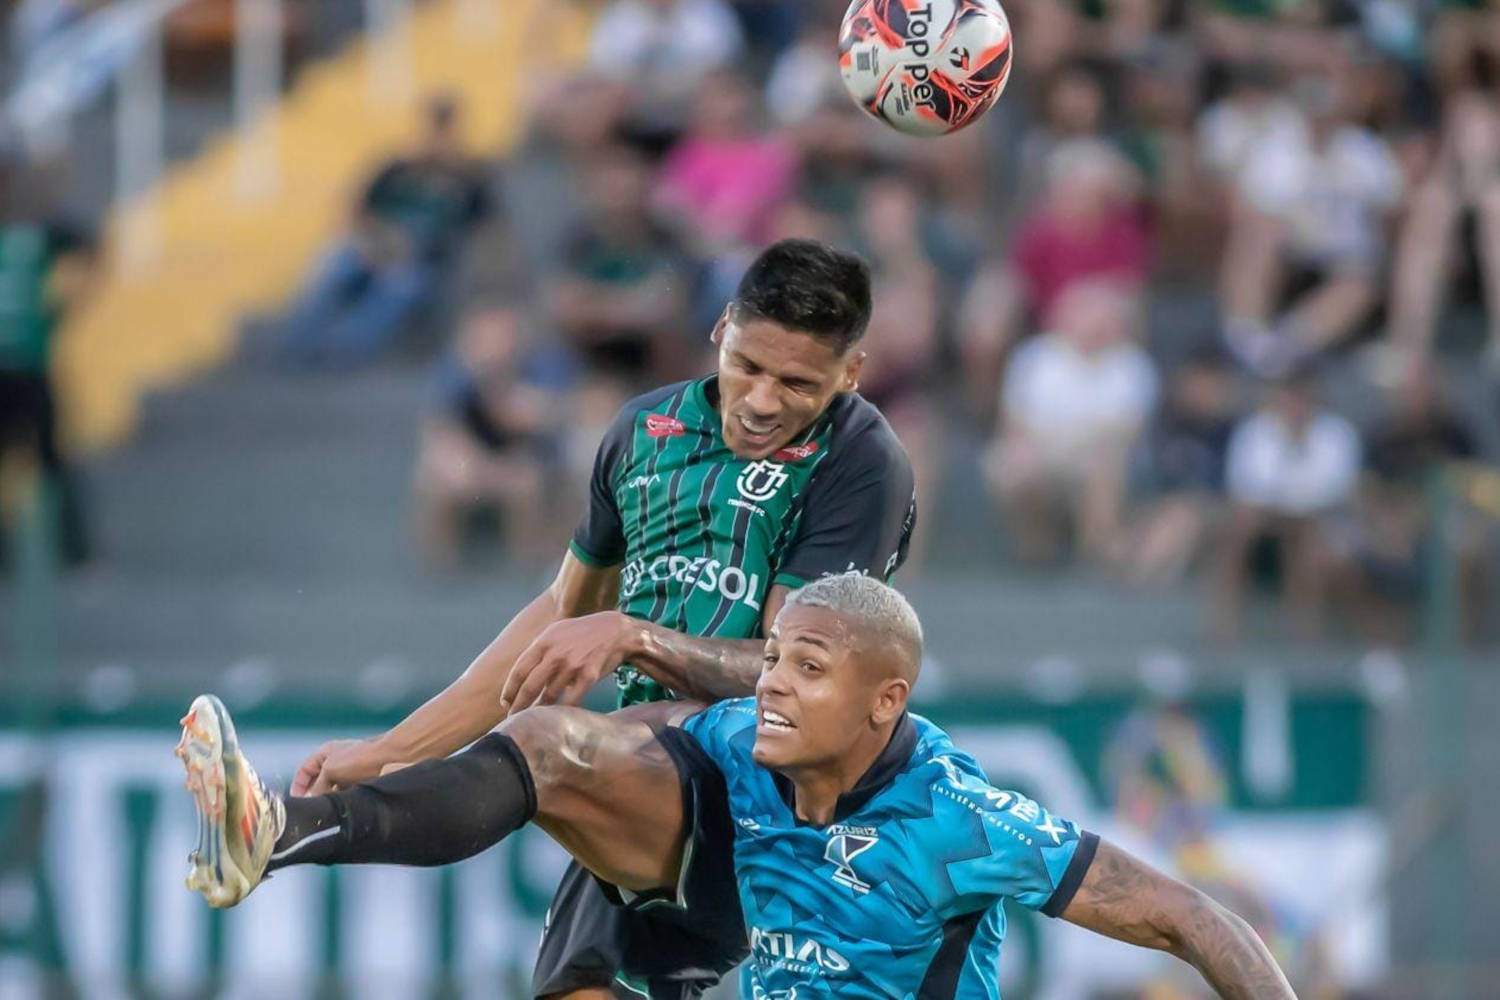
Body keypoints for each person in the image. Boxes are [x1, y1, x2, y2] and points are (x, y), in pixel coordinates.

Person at [280, 238, 916, 998]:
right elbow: (559, 619)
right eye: (747, 365)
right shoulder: (643, 431)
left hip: (771, 803)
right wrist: (389, 752)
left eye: (798, 384)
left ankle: (286, 830)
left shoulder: (860, 460)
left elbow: (796, 674)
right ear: (721, 328)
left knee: (546, 746)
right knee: (578, 985)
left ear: (850, 374)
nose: (761, 402)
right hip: (643, 773)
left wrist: (632, 635)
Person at [176, 575, 1297, 999]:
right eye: (774, 661)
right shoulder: (740, 745)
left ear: (884, 701)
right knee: (546, 749)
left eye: (808, 669)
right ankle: (279, 833)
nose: (773, 685)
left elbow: (1189, 916)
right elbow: (595, 748)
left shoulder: (958, 816)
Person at [275, 94, 493, 367]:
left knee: (400, 285)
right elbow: (353, 210)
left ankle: (343, 352)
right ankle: (294, 345)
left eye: (443, 128)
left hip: (423, 263)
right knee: (337, 262)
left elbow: (485, 230)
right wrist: (379, 240)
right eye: (432, 127)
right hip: (374, 249)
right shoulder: (396, 169)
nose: (437, 138)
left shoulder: (469, 179)